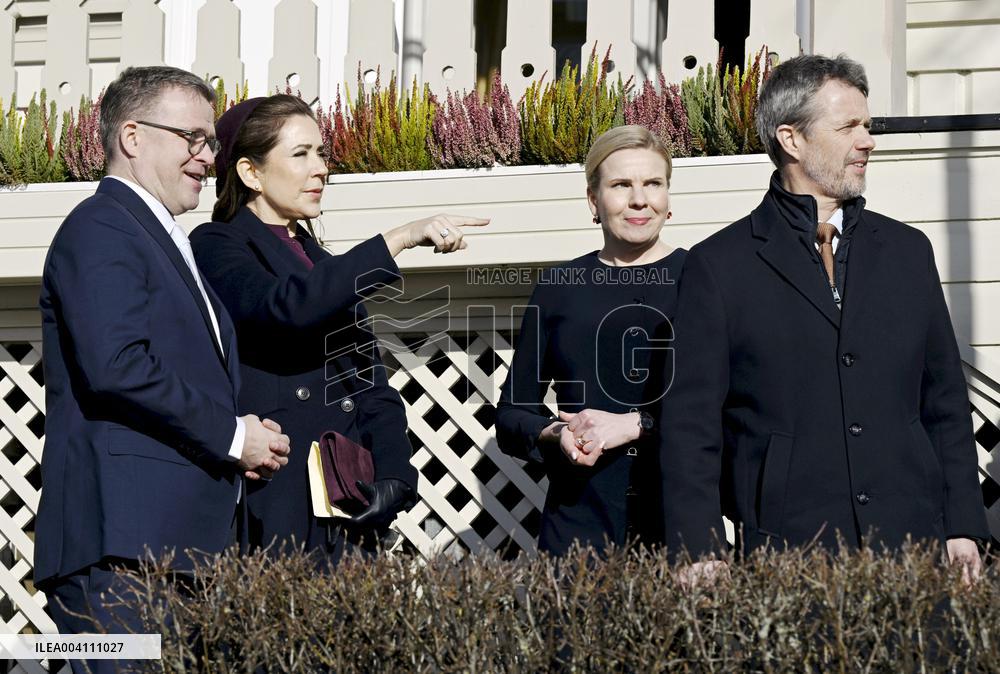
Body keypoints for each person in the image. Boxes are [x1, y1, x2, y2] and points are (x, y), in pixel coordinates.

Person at [658, 54, 988, 580]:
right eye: (848, 127)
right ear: (791, 140)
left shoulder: (908, 251)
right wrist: (699, 548)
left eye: (868, 125)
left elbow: (944, 402)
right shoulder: (719, 266)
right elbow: (690, 425)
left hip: (913, 543)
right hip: (789, 550)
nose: (868, 140)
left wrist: (963, 525)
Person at [35, 67, 290, 652]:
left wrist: (238, 444)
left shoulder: (158, 237)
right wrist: (230, 437)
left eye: (212, 144)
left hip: (174, 553)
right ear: (131, 137)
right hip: (123, 554)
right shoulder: (101, 228)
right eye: (193, 139)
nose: (208, 158)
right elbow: (117, 364)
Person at [190, 95, 488, 561]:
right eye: (300, 154)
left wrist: (394, 476)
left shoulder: (323, 262)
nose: (321, 169)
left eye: (322, 152)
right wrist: (400, 238)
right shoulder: (214, 245)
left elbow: (372, 386)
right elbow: (283, 309)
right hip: (275, 502)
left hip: (345, 504)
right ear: (251, 173)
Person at [495, 125, 686, 556]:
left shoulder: (702, 282)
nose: (640, 199)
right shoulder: (559, 287)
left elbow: (729, 406)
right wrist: (556, 432)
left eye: (653, 184)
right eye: (621, 185)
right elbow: (512, 414)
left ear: (668, 199)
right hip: (578, 527)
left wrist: (637, 424)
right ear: (593, 201)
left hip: (677, 524)